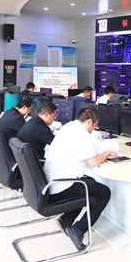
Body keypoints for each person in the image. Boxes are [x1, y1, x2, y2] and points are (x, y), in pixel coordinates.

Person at [44, 106, 117, 250]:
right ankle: (78, 230)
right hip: (61, 187)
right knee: (103, 193)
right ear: (90, 122)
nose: (94, 129)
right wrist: (107, 153)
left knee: (90, 183)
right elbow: (94, 162)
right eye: (95, 125)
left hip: (52, 183)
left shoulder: (69, 126)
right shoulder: (82, 134)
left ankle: (66, 220)